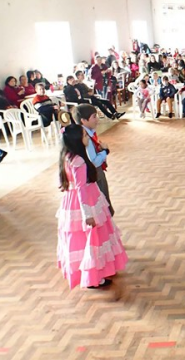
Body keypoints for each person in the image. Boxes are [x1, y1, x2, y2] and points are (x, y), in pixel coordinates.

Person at [56, 124, 127, 289]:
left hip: (71, 200)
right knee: (92, 237)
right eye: (84, 136)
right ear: (77, 141)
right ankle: (94, 275)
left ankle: (86, 272)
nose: (87, 138)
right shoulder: (79, 160)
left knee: (79, 238)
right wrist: (87, 214)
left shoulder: (65, 155)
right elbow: (81, 188)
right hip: (86, 201)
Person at [75, 104, 115, 216]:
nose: (97, 119)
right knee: (102, 203)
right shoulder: (85, 136)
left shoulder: (84, 132)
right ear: (83, 120)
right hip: (94, 174)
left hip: (90, 174)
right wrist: (105, 151)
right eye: (94, 117)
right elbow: (94, 161)